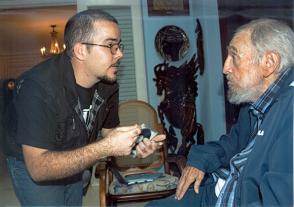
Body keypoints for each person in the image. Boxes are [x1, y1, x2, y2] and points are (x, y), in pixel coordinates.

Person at [3, 9, 165, 206]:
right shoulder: (37, 87)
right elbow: (39, 168)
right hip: (32, 158)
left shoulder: (109, 83)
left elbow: (109, 132)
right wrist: (106, 147)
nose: (120, 54)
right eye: (110, 45)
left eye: (119, 45)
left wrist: (136, 144)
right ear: (80, 50)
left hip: (74, 147)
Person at [146, 18, 293, 206]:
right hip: (219, 189)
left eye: (234, 57)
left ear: (269, 62)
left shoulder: (289, 113)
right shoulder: (254, 101)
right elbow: (233, 144)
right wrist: (200, 160)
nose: (225, 68)